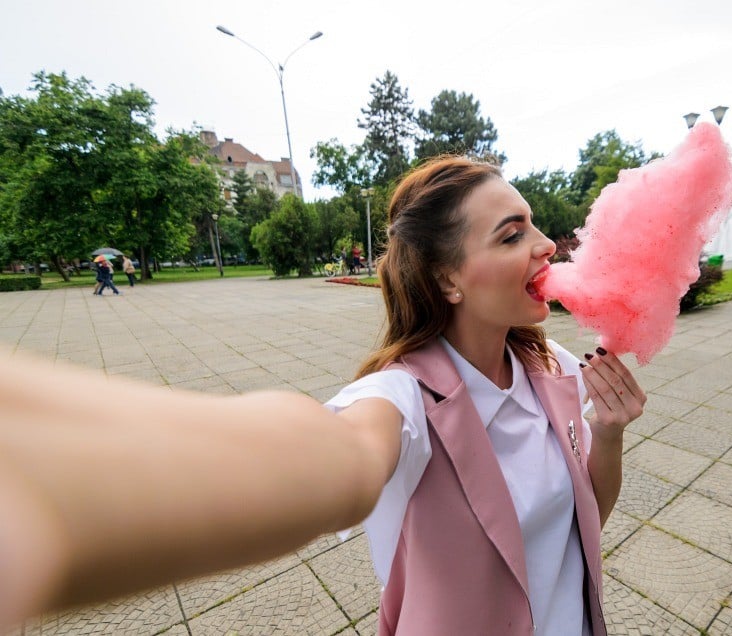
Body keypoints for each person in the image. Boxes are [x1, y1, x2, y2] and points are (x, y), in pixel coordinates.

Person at [0, 157, 644, 634]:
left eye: (534, 225)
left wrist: (608, 432)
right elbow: (345, 452)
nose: (546, 246)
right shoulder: (402, 398)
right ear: (448, 278)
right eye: (511, 235)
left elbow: (583, 522)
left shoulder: (553, 365)